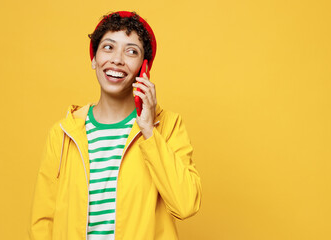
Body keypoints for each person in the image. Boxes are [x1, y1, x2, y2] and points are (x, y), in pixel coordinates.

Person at [27, 11, 202, 240]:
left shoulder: (167, 127)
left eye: (131, 51)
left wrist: (149, 130)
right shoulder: (63, 134)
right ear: (94, 59)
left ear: (143, 68)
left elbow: (186, 204)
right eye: (108, 47)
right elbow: (42, 222)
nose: (118, 59)